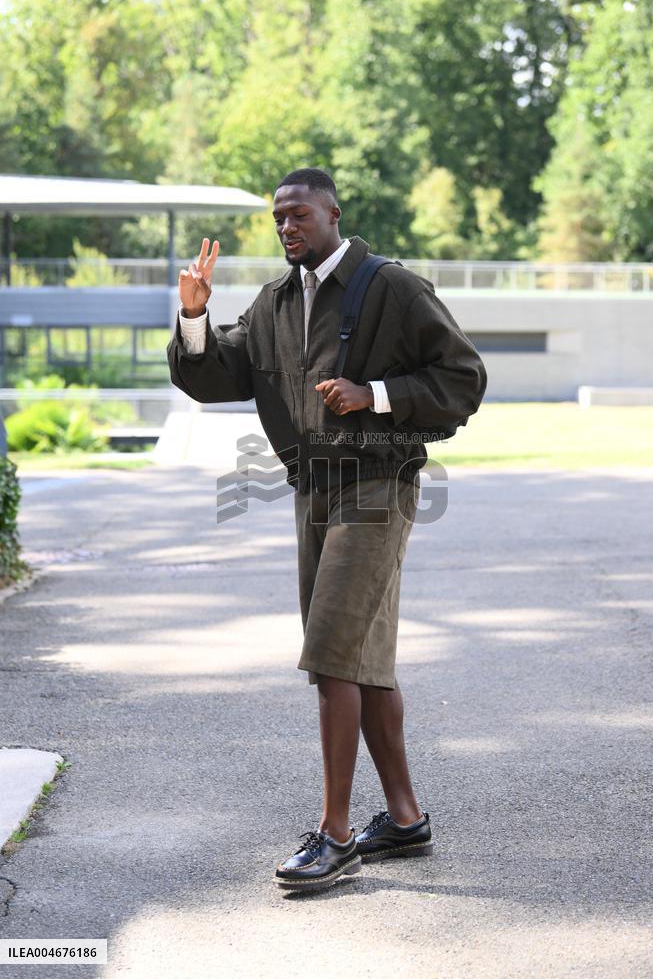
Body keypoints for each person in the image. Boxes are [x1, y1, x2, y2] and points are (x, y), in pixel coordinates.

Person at [167, 167, 487, 894]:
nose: (287, 226)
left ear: (333, 213)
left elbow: (463, 378)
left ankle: (336, 836)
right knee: (360, 659)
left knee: (333, 655)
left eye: (300, 214)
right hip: (311, 491)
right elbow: (215, 376)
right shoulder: (275, 302)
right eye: (279, 217)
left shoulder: (391, 288)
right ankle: (404, 819)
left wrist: (373, 394)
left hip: (376, 487)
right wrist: (193, 316)